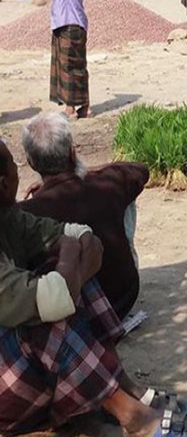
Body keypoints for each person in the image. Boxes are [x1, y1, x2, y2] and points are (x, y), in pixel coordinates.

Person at [0, 140, 187, 437]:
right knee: (47, 312)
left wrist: (67, 274)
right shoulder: (101, 183)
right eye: (12, 168)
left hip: (25, 365)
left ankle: (119, 387)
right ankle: (135, 418)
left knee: (62, 281)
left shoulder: (16, 215)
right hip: (9, 392)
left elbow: (82, 237)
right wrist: (70, 267)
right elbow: (54, 290)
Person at [19, 112, 148, 320]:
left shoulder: (26, 212)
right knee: (125, 197)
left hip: (71, 316)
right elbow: (138, 170)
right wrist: (88, 171)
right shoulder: (107, 184)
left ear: (31, 163)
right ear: (72, 153)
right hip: (123, 299)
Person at [47, 0, 90, 120]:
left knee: (70, 67)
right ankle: (83, 107)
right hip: (66, 23)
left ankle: (71, 109)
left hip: (70, 24)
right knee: (74, 66)